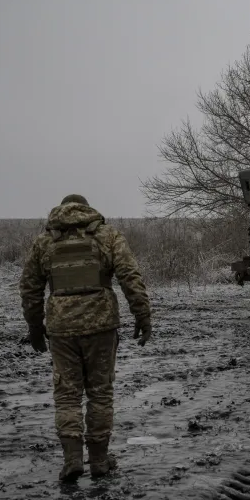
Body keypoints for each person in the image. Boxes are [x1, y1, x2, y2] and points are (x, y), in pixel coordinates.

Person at [19, 194, 152, 482]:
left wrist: (34, 327)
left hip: (61, 329)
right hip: (101, 327)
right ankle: (100, 461)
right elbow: (131, 277)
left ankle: (72, 461)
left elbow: (30, 288)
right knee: (100, 394)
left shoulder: (45, 242)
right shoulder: (106, 235)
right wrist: (143, 316)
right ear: (87, 210)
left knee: (67, 395)